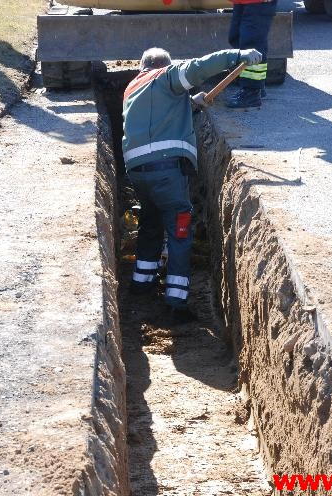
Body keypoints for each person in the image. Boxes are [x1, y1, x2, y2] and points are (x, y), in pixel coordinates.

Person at [122, 47, 262, 323]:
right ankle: (176, 301)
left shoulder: (133, 87)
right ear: (164, 66)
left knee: (151, 222)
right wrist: (237, 56)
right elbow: (199, 65)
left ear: (142, 67)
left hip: (138, 172)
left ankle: (141, 283)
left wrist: (190, 104)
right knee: (180, 231)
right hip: (167, 172)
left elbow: (159, 116)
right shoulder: (167, 77)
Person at [226, 0, 277, 108]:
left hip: (258, 3)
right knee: (236, 38)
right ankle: (255, 87)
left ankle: (252, 92)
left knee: (252, 44)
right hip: (242, 2)